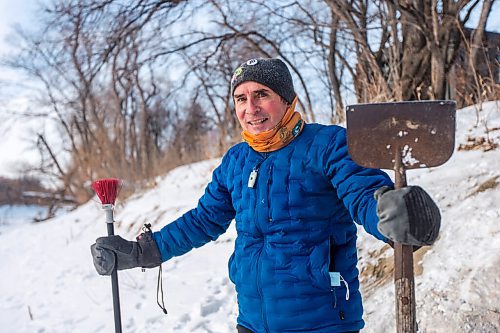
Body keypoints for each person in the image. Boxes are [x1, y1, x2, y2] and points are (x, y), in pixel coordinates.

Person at [91, 58, 441, 333]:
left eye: (262, 95)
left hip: (321, 323)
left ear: (287, 100)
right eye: (241, 98)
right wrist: (143, 251)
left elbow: (362, 194)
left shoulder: (328, 144)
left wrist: (389, 212)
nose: (250, 108)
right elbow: (204, 220)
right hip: (253, 321)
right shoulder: (236, 160)